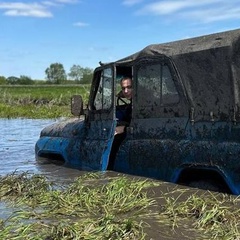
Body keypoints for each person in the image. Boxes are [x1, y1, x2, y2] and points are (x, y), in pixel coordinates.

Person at [108, 77, 133, 169]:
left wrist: (125, 128)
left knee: (114, 140)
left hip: (133, 132)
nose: (126, 91)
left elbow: (141, 122)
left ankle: (108, 170)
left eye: (129, 87)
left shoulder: (143, 103)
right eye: (123, 88)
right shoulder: (133, 103)